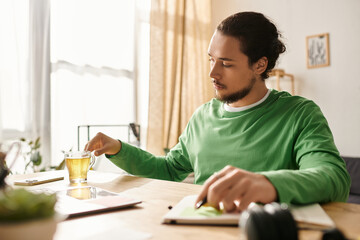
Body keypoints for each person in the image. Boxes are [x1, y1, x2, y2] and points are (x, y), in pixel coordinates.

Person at [85, 12, 350, 212]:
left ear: (260, 65)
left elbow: (333, 177)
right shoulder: (203, 116)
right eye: (211, 59)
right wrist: (119, 148)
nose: (212, 73)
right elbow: (168, 170)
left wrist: (268, 184)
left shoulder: (300, 114)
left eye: (226, 63)